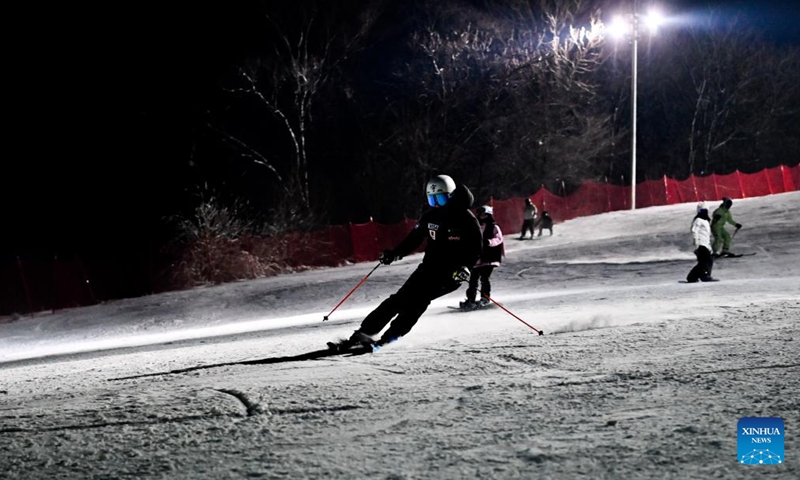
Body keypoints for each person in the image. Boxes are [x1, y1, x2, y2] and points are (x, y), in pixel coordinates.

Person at [329, 174, 482, 351]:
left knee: (418, 301)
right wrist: (394, 254)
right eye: (433, 200)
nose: (437, 204)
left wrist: (466, 267)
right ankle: (364, 333)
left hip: (450, 274)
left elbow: (475, 248)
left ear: (452, 195)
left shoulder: (466, 219)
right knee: (398, 299)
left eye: (440, 198)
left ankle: (389, 337)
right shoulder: (431, 217)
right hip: (428, 268)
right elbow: (414, 239)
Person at [460, 205, 504, 310]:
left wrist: (489, 242)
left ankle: (485, 298)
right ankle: (470, 299)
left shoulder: (493, 227)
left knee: (484, 278)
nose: (482, 216)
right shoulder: (475, 226)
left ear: (489, 215)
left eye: (485, 214)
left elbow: (498, 239)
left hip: (489, 258)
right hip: (477, 258)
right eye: (481, 214)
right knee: (473, 280)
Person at [687, 202, 716, 283]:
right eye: (702, 211)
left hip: (705, 244)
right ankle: (702, 275)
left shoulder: (706, 221)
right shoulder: (698, 220)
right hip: (700, 244)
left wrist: (709, 246)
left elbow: (707, 235)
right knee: (706, 261)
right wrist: (696, 243)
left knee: (706, 261)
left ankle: (695, 276)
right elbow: (694, 231)